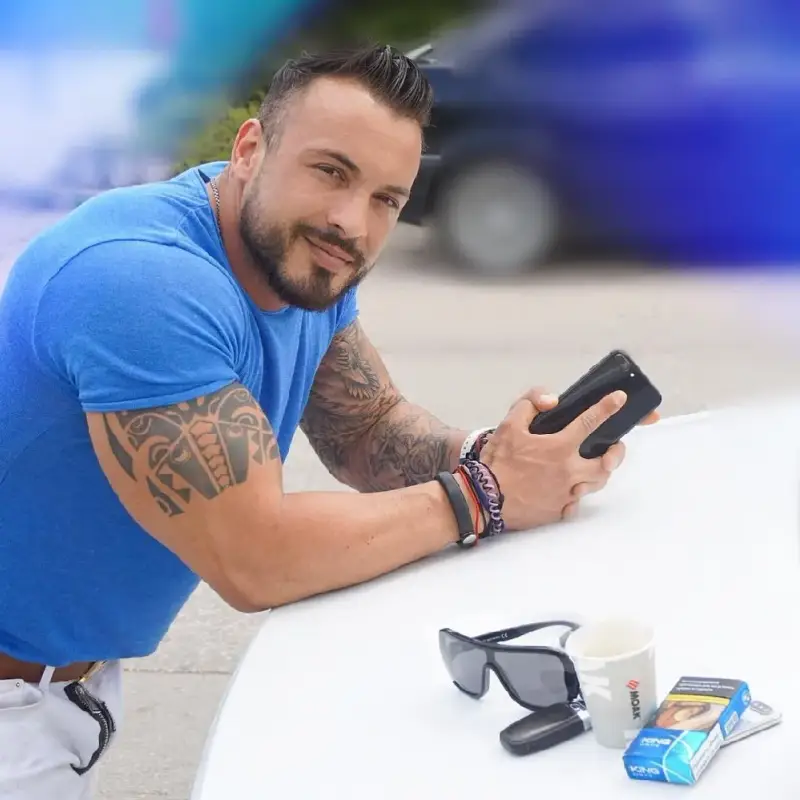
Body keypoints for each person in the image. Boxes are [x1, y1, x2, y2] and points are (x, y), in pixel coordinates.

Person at [0, 45, 658, 798]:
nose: (352, 222)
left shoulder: (298, 258)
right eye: (330, 172)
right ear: (250, 149)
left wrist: (506, 455)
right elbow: (256, 558)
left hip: (60, 687)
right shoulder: (141, 283)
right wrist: (486, 494)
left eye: (386, 199)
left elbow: (368, 428)